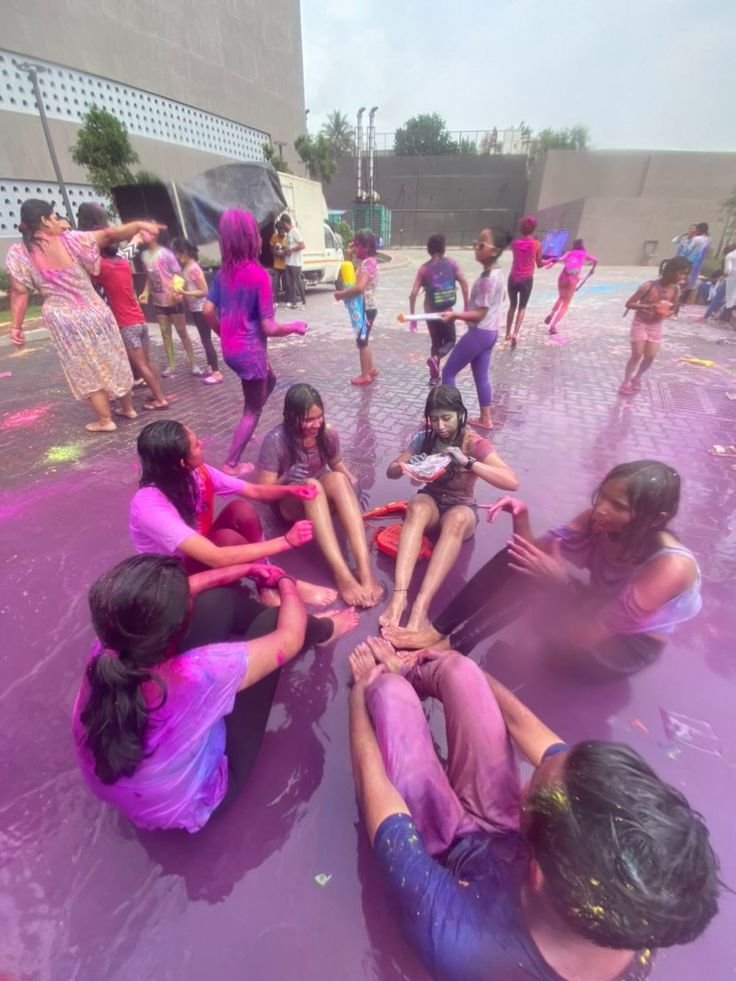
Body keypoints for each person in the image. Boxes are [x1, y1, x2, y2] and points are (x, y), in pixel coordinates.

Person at [347, 636, 721, 981]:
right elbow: (544, 746)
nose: (522, 785)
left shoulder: (458, 938)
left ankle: (389, 682)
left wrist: (358, 696)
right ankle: (413, 672)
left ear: (537, 869)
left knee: (390, 693)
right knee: (460, 673)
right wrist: (463, 664)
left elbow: (375, 790)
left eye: (531, 792)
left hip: (446, 856)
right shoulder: (646, 894)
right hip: (514, 842)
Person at [72, 554, 356, 832]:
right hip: (197, 803)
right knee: (273, 622)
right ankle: (326, 630)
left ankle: (284, 617)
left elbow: (185, 592)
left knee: (216, 602)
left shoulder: (106, 649)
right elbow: (290, 639)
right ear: (176, 628)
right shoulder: (200, 673)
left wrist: (247, 569)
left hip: (133, 796)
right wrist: (286, 582)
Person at [383, 460, 702, 678]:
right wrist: (521, 518)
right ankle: (437, 631)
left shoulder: (670, 566)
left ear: (656, 518)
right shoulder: (597, 519)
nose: (602, 509)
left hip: (617, 648)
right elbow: (532, 554)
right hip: (592, 607)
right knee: (520, 558)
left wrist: (560, 586)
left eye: (617, 506)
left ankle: (454, 647)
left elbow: (587, 636)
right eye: (602, 496)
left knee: (540, 597)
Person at [129, 419, 338, 609]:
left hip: (197, 551)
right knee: (226, 540)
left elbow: (253, 491)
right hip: (172, 576)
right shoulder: (150, 506)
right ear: (182, 463)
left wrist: (290, 490)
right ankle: (281, 580)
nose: (202, 443)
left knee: (241, 510)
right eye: (195, 444)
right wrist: (286, 541)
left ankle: (266, 582)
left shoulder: (197, 473)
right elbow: (216, 557)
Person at [5, 198, 161, 432]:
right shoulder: (73, 240)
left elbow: (19, 293)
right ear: (44, 221)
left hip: (63, 318)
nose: (58, 220)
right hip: (96, 311)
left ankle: (105, 420)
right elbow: (111, 235)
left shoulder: (19, 253)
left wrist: (16, 327)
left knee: (84, 368)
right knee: (113, 358)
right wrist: (139, 225)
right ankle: (128, 408)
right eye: (55, 216)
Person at [379, 385, 518, 630]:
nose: (440, 426)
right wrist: (405, 465)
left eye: (446, 418)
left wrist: (469, 462)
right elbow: (391, 472)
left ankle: (421, 606)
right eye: (434, 419)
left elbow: (511, 481)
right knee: (417, 506)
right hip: (432, 502)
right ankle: (399, 597)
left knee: (457, 521)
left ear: (459, 414)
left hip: (461, 506)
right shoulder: (425, 438)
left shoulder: (473, 442)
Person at [255, 383, 383, 608]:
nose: (316, 424)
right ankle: (342, 574)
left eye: (319, 417)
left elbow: (335, 463)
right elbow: (264, 493)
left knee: (339, 479)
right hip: (289, 505)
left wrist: (353, 483)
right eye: (308, 420)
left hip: (320, 497)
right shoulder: (275, 440)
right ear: (291, 417)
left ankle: (365, 571)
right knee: (312, 485)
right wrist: (287, 478)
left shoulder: (328, 433)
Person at [202, 209, 308, 476]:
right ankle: (231, 462)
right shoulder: (259, 276)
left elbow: (206, 310)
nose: (262, 240)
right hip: (250, 353)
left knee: (269, 381)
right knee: (252, 411)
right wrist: (295, 327)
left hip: (232, 351)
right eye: (258, 235)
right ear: (250, 239)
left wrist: (222, 333)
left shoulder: (223, 274)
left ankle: (250, 418)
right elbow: (269, 327)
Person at [76, 202, 169, 412]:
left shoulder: (101, 268)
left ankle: (160, 398)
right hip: (140, 320)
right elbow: (124, 253)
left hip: (125, 324)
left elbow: (89, 272)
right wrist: (135, 239)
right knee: (147, 362)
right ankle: (157, 394)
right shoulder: (122, 264)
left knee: (140, 365)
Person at [439, 228, 512, 431]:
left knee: (448, 373)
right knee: (481, 377)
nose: (476, 248)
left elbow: (479, 314)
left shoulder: (488, 280)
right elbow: (500, 299)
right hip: (491, 332)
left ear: (495, 251)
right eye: (476, 243)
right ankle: (486, 418)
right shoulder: (497, 274)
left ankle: (450, 421)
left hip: (479, 333)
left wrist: (455, 315)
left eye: (481, 245)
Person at [619, 257, 690, 396]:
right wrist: (649, 306)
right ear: (670, 271)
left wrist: (665, 313)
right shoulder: (648, 286)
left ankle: (637, 377)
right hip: (640, 323)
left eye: (685, 274)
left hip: (656, 325)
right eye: (681, 273)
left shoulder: (676, 290)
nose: (683, 277)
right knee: (637, 353)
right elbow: (629, 304)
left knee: (650, 356)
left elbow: (673, 309)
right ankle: (626, 382)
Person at [138, 228, 203, 377]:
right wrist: (145, 292)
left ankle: (193, 363)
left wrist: (177, 291)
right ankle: (171, 365)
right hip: (158, 301)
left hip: (174, 300)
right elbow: (149, 277)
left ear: (154, 235)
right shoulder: (144, 256)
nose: (143, 234)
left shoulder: (167, 254)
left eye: (146, 231)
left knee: (182, 332)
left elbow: (178, 274)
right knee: (165, 333)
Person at [408, 233, 469, 385]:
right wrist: (466, 307)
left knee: (436, 342)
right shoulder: (452, 264)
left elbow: (413, 293)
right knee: (450, 340)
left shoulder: (424, 269)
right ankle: (436, 359)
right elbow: (464, 284)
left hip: (430, 312)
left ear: (428, 249)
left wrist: (413, 317)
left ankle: (434, 377)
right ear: (443, 248)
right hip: (446, 310)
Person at [172, 237, 223, 384]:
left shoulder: (193, 268)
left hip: (203, 309)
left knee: (207, 340)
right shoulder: (186, 268)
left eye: (177, 253)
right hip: (196, 309)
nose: (176, 256)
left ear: (184, 252)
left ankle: (216, 372)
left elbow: (204, 290)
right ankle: (210, 367)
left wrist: (184, 294)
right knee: (205, 339)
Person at [334, 229, 380, 387]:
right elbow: (350, 270)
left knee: (362, 341)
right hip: (368, 308)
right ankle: (371, 369)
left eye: (357, 245)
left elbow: (359, 287)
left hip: (365, 309)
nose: (355, 249)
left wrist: (342, 294)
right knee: (364, 339)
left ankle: (365, 375)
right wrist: (349, 253)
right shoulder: (370, 261)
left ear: (366, 246)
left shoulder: (367, 264)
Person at [543, 238, 597, 334]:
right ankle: (553, 326)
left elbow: (560, 259)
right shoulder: (584, 254)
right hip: (572, 280)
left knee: (561, 298)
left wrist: (551, 263)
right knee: (565, 304)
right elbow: (595, 260)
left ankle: (551, 314)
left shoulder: (569, 253)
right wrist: (592, 269)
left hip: (562, 277)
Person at [505, 215, 543, 348]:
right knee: (522, 307)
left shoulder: (515, 244)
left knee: (512, 306)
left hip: (513, 278)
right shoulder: (537, 244)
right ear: (533, 229)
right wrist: (550, 261)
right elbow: (539, 264)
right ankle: (515, 333)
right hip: (527, 279)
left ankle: (507, 333)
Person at [281, 214, 306, 309]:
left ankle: (304, 303)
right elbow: (289, 246)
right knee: (290, 283)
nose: (282, 227)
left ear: (285, 223)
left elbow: (302, 245)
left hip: (295, 263)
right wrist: (285, 251)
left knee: (298, 282)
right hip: (288, 262)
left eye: (283, 225)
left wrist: (291, 250)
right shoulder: (288, 233)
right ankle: (293, 303)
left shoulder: (295, 231)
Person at [680, 222, 711, 302]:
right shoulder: (708, 239)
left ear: (699, 229)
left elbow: (688, 249)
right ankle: (685, 299)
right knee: (692, 280)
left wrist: (682, 254)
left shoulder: (696, 239)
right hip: (699, 262)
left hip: (690, 260)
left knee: (684, 278)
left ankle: (679, 297)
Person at [269, 219, 288, 305]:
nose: (281, 233)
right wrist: (275, 253)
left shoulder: (287, 238)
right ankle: (275, 301)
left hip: (285, 265)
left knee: (287, 283)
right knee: (275, 284)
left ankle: (288, 300)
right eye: (279, 231)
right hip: (276, 265)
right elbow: (271, 248)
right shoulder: (274, 237)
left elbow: (289, 250)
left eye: (282, 231)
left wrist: (284, 253)